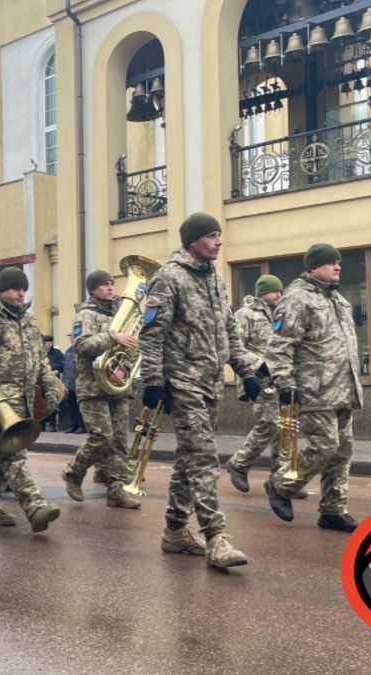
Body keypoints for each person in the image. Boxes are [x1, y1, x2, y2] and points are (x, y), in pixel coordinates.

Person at [136, 213, 261, 570]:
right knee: (204, 457)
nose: (219, 241)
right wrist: (154, 381)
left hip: (210, 382)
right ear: (193, 241)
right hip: (182, 382)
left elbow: (230, 332)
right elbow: (152, 335)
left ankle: (174, 530)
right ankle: (215, 538)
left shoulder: (216, 282)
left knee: (188, 460)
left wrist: (246, 371)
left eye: (220, 235)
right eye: (211, 235)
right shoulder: (169, 278)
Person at [263, 244, 364, 534]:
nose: (337, 267)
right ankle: (282, 485)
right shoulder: (297, 299)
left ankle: (333, 509)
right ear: (313, 267)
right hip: (314, 390)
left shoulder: (339, 301)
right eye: (331, 263)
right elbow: (280, 347)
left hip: (344, 389)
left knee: (342, 451)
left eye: (339, 263)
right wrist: (285, 384)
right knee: (326, 445)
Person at [0, 267, 62, 531]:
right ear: (2, 290)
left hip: (24, 400)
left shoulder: (27, 320)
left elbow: (41, 361)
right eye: (16, 288)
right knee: (13, 455)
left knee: (1, 455)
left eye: (24, 288)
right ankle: (35, 506)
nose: (21, 293)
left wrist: (50, 390)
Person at [60, 270, 142, 510]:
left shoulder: (120, 313)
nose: (110, 287)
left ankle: (116, 491)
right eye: (104, 285)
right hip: (92, 387)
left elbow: (134, 348)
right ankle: (74, 472)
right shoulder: (85, 314)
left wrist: (124, 367)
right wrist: (112, 337)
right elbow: (82, 345)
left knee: (118, 441)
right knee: (101, 438)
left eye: (111, 283)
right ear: (93, 289)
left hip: (117, 385)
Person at [225, 276, 306, 499]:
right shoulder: (246, 315)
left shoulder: (279, 315)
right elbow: (235, 347)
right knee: (269, 423)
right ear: (262, 292)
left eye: (281, 291)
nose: (279, 295)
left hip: (281, 378)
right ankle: (239, 464)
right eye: (275, 292)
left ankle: (282, 479)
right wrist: (258, 364)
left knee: (286, 428)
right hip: (259, 378)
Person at [61, 334, 85, 433]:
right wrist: (64, 383)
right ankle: (73, 425)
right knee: (71, 406)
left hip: (80, 383)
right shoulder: (68, 350)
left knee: (80, 407)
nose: (71, 339)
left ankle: (81, 426)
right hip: (69, 384)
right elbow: (64, 367)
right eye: (70, 338)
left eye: (73, 337)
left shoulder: (82, 350)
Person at [40, 335, 65, 432]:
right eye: (45, 343)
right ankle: (41, 423)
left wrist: (56, 369)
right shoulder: (40, 352)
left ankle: (52, 424)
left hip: (54, 382)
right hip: (41, 382)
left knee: (53, 401)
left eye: (48, 343)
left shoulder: (57, 353)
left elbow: (62, 365)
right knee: (42, 403)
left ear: (51, 343)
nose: (47, 345)